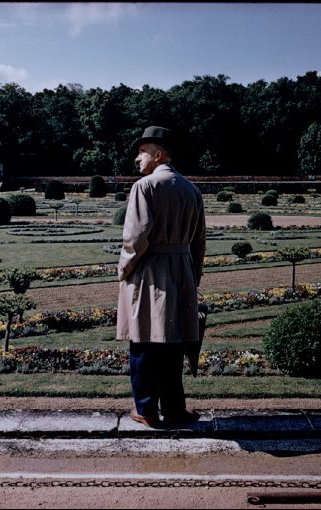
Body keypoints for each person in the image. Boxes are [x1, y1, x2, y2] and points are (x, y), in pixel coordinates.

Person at [117, 126, 207, 428]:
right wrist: (192, 276)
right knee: (173, 343)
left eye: (142, 151)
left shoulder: (145, 187)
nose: (137, 158)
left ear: (158, 154)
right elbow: (199, 242)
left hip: (150, 269)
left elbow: (136, 238)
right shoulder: (192, 190)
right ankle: (175, 409)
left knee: (143, 341)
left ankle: (146, 410)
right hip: (181, 268)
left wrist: (123, 269)